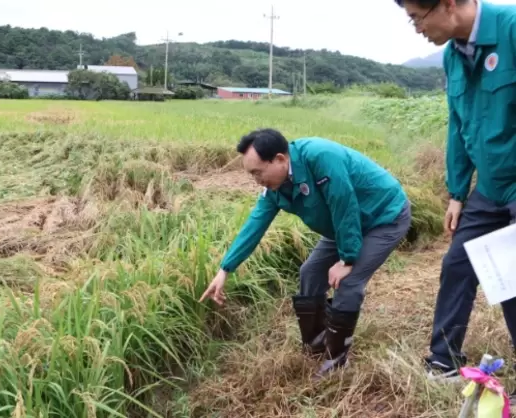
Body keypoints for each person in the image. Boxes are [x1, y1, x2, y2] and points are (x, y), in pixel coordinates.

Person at [199, 128, 412, 375]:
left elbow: (345, 204)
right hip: (341, 225)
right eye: (251, 175)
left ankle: (337, 359)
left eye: (258, 172)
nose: (256, 180)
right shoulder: (276, 188)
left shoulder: (320, 156)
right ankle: (316, 342)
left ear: (280, 159)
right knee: (310, 272)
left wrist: (346, 258)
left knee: (349, 281)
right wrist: (225, 269)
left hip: (383, 216)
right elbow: (254, 225)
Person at [394, 0, 516, 383]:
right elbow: (458, 125)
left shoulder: (511, 28)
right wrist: (458, 192)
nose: (416, 28)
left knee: (512, 274)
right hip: (491, 188)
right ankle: (444, 360)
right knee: (458, 264)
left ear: (447, 4)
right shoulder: (453, 55)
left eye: (417, 17)